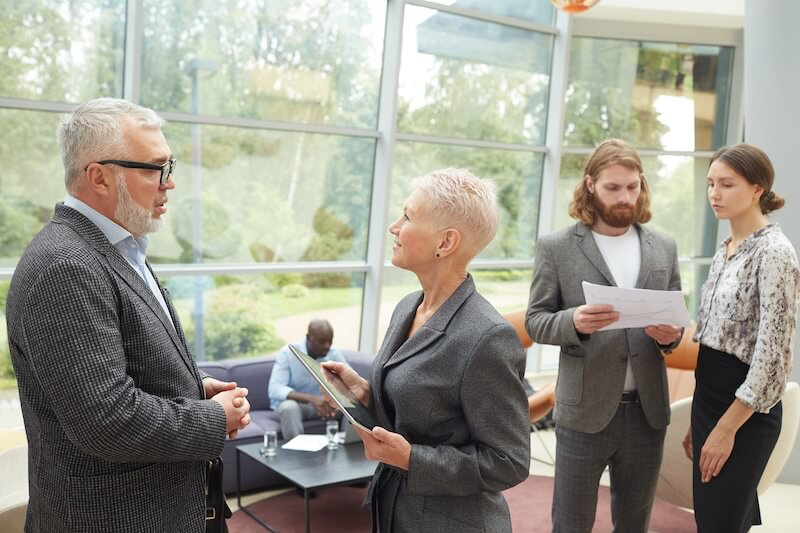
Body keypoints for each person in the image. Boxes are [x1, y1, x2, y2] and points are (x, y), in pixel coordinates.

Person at [5, 98, 251, 533]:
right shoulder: (65, 266)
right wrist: (213, 417)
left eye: (168, 166)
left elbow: (126, 366)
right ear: (99, 177)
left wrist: (193, 388)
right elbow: (107, 420)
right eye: (154, 168)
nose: (168, 184)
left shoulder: (119, 248)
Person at [322, 168, 530, 532]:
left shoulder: (487, 337)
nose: (394, 226)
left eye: (407, 216)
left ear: (445, 243)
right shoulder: (407, 307)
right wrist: (366, 395)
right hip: (394, 510)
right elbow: (418, 412)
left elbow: (509, 461)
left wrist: (412, 460)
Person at [526, 138, 683, 532]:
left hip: (647, 413)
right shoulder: (557, 247)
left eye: (632, 187)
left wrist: (670, 336)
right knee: (571, 523)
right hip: (583, 412)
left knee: (634, 524)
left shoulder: (663, 246)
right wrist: (574, 321)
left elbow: (676, 325)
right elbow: (536, 320)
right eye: (613, 187)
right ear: (591, 184)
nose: (625, 197)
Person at [683, 143, 799, 532]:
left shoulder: (775, 253)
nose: (715, 193)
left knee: (720, 523)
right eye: (711, 183)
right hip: (709, 402)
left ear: (757, 189)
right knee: (715, 519)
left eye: (727, 184)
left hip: (744, 411)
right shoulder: (725, 250)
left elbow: (774, 360)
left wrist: (726, 428)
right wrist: (698, 420)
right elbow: (712, 340)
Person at [268, 318, 347, 441]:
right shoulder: (288, 353)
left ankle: (346, 451)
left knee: (351, 407)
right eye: (322, 341)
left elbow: (348, 385)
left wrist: (334, 401)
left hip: (324, 406)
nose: (327, 346)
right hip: (298, 406)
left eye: (330, 341)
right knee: (289, 408)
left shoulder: (333, 354)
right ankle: (297, 455)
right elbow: (274, 389)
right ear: (309, 337)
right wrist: (312, 399)